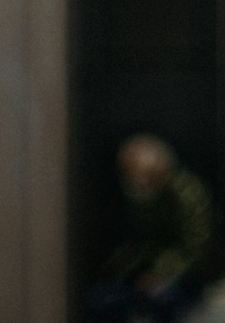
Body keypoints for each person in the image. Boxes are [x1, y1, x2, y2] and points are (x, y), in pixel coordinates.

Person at [89, 135, 213, 323]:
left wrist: (162, 274)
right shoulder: (130, 196)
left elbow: (196, 246)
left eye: (146, 177)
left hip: (180, 276)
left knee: (165, 302)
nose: (139, 182)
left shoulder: (187, 196)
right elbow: (132, 246)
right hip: (140, 276)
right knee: (103, 299)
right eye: (132, 175)